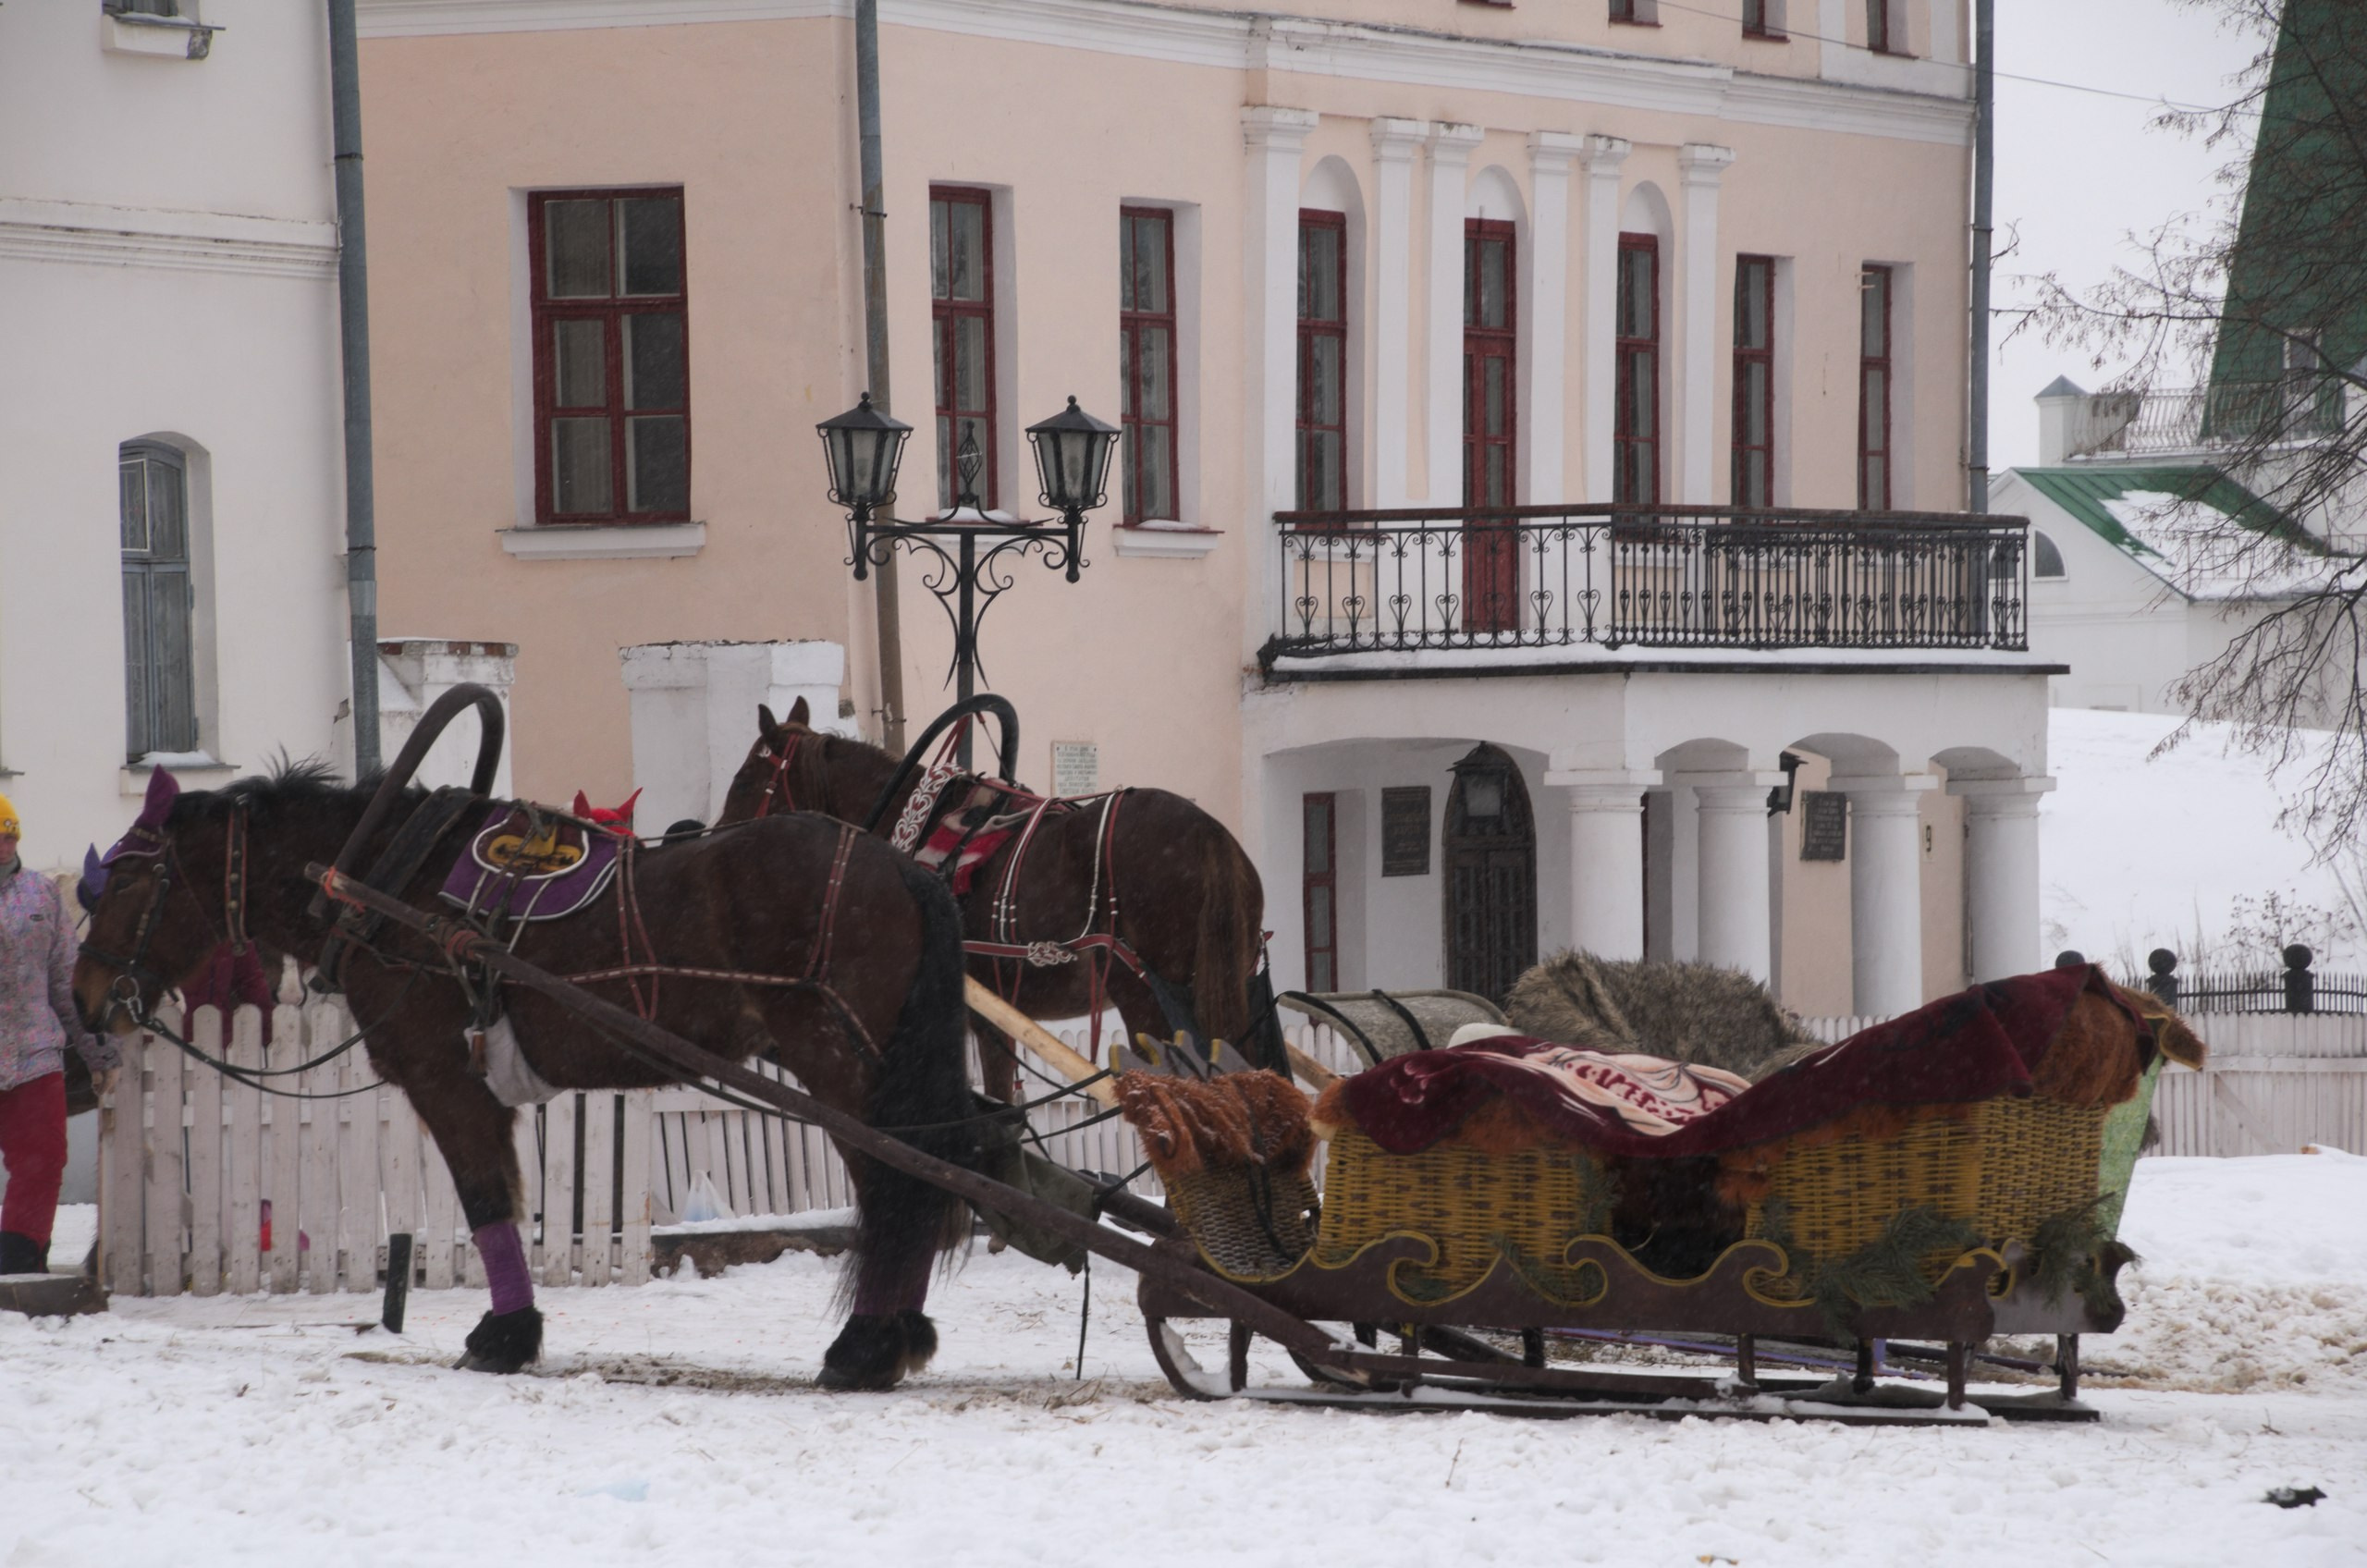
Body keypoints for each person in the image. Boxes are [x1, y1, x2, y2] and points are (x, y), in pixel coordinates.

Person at [0, 791, 121, 1275]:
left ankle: (19, 1263)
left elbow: (65, 981)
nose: (5, 845)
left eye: (10, 836)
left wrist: (100, 1054)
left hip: (34, 1054)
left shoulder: (41, 895)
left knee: (43, 1161)